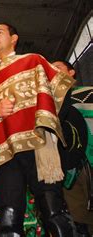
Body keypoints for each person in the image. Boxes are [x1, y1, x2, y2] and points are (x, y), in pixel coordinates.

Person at [0, 23, 77, 237]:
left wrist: (51, 125)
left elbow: (62, 87)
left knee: (52, 209)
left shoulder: (33, 61)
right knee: (8, 217)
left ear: (14, 38)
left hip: (37, 144)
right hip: (5, 154)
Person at [52, 60, 92, 237]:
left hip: (90, 158)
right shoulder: (49, 107)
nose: (53, 71)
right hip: (68, 168)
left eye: (57, 67)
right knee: (80, 218)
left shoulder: (88, 93)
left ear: (71, 72)